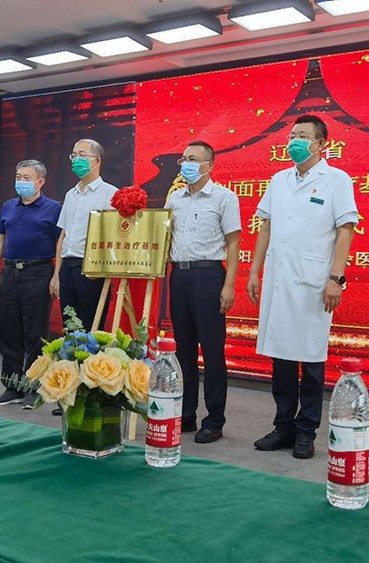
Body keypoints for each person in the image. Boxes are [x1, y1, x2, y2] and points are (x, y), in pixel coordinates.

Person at [247, 115, 357, 459]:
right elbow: (265, 227)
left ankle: (306, 430)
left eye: (303, 136)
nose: (294, 141)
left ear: (321, 144)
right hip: (279, 280)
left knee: (310, 359)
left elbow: (345, 230)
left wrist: (336, 278)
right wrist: (254, 272)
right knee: (280, 356)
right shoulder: (279, 179)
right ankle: (283, 426)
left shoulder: (336, 180)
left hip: (314, 283)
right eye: (292, 135)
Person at [165, 140, 241, 444]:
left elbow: (233, 243)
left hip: (209, 276)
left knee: (211, 351)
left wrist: (229, 284)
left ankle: (214, 420)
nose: (186, 164)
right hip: (178, 276)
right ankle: (186, 415)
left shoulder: (224, 197)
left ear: (209, 165)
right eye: (184, 159)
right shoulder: (174, 199)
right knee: (183, 349)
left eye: (193, 159)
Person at [48, 139, 117, 416]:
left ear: (97, 160)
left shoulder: (110, 194)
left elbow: (116, 237)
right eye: (73, 154)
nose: (76, 159)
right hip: (68, 267)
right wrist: (56, 274)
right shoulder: (71, 194)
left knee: (91, 332)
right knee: (71, 333)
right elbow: (63, 236)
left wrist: (104, 270)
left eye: (82, 154)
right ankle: (70, 394)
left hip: (93, 271)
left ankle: (92, 395)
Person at [0, 160, 62, 409]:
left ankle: (34, 387)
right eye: (18, 177)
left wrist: (56, 275)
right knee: (7, 331)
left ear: (40, 182)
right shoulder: (9, 206)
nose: (20, 182)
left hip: (38, 273)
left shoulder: (53, 208)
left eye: (26, 178)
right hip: (9, 272)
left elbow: (61, 243)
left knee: (35, 333)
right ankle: (12, 386)